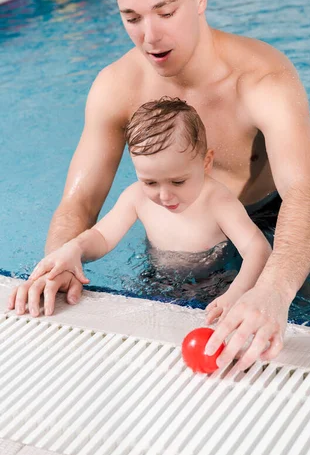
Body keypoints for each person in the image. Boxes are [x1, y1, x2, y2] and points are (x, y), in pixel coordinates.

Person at [8, 0, 310, 372]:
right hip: (184, 224)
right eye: (133, 18)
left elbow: (307, 194)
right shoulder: (116, 87)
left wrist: (274, 291)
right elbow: (79, 200)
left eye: (166, 11)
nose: (151, 36)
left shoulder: (261, 79)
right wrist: (59, 261)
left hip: (274, 216)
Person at [28, 98, 271, 322]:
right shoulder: (136, 197)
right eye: (150, 182)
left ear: (205, 163)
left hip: (217, 281)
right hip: (157, 279)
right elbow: (102, 236)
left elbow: (257, 248)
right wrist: (75, 248)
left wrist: (237, 292)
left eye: (178, 182)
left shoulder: (218, 201)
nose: (164, 196)